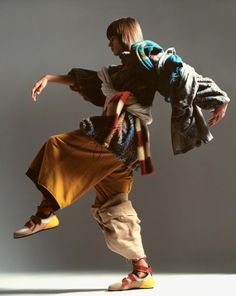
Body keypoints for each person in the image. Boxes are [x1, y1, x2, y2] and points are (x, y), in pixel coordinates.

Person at [13, 17, 229, 291]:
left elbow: (180, 72)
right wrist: (49, 78)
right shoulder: (122, 69)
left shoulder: (145, 57)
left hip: (118, 135)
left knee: (57, 147)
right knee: (113, 205)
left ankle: (45, 214)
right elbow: (90, 80)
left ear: (124, 36)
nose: (109, 44)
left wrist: (217, 97)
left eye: (112, 38)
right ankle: (142, 272)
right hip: (129, 147)